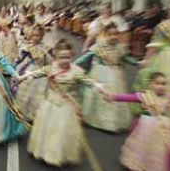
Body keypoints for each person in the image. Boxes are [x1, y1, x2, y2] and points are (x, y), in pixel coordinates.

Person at [16, 39, 106, 168]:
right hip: (50, 103)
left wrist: (99, 87)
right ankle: (44, 152)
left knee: (61, 131)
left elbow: (88, 81)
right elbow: (37, 73)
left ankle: (56, 155)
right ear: (56, 56)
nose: (64, 60)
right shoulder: (51, 68)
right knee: (47, 128)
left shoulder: (76, 71)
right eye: (61, 57)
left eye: (68, 57)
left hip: (66, 106)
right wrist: (21, 78)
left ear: (72, 56)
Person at [104, 72, 170, 171]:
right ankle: (140, 164)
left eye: (164, 84)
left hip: (163, 129)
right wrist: (112, 97)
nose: (161, 86)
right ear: (151, 84)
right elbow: (128, 97)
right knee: (143, 147)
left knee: (160, 151)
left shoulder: (168, 97)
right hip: (146, 128)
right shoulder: (145, 96)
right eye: (157, 83)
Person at [132, 2, 170, 129]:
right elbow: (155, 44)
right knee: (165, 83)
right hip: (167, 56)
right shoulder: (163, 26)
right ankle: (164, 113)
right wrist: (146, 59)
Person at [75, 23, 138, 133]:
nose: (113, 37)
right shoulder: (98, 47)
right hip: (100, 73)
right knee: (99, 97)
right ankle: (96, 119)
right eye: (110, 34)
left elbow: (126, 58)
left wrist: (137, 63)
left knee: (113, 97)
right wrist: (72, 66)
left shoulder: (119, 48)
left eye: (115, 34)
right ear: (105, 34)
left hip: (115, 76)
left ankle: (111, 122)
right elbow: (85, 58)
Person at [13, 25, 52, 121]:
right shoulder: (28, 47)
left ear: (42, 36)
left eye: (38, 36)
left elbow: (52, 56)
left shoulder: (46, 47)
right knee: (25, 90)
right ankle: (22, 110)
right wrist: (13, 66)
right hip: (28, 70)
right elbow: (20, 58)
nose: (35, 38)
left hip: (40, 72)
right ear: (30, 35)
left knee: (37, 94)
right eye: (33, 35)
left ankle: (34, 114)